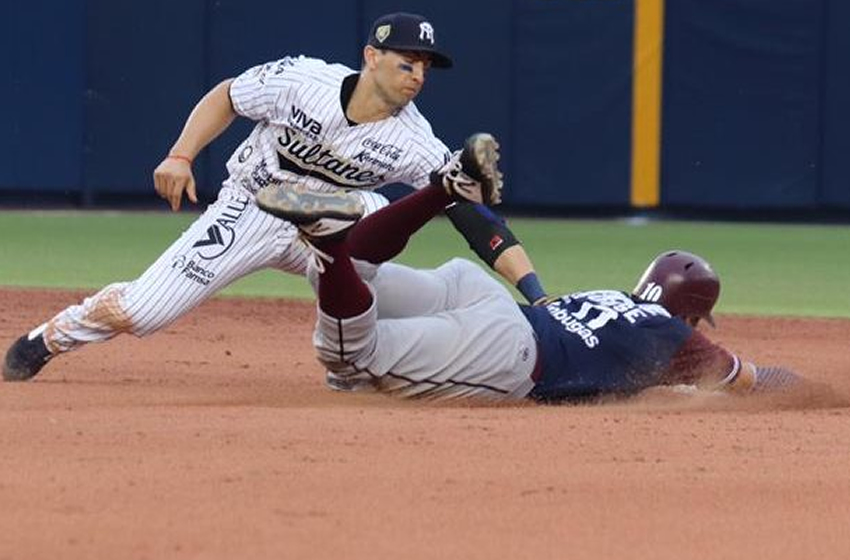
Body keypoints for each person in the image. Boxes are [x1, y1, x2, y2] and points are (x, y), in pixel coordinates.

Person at [3, 13, 546, 382]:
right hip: (252, 207)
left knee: (378, 226)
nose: (418, 74)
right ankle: (52, 336)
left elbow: (472, 215)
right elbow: (228, 95)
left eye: (426, 66)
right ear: (371, 56)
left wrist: (535, 292)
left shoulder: (414, 140)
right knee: (142, 313)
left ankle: (348, 359)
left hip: (328, 231)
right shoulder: (303, 81)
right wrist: (181, 155)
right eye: (408, 61)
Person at [253, 134, 804, 402]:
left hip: (483, 297)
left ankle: (442, 190)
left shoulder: (610, 300)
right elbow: (750, 381)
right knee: (351, 356)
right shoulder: (674, 337)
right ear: (690, 314)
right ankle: (329, 242)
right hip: (504, 348)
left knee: (349, 279)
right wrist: (819, 391)